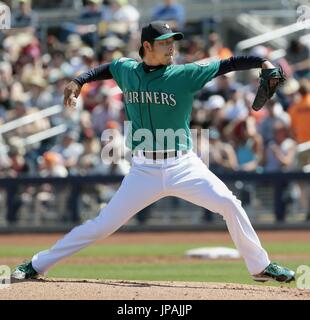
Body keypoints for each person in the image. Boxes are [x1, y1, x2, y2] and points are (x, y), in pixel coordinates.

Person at [12, 21, 295, 283]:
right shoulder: (127, 70)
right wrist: (79, 80)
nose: (172, 46)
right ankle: (37, 265)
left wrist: (262, 61)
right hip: (143, 170)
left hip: (183, 165)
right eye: (164, 42)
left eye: (173, 41)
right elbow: (109, 67)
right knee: (101, 226)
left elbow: (229, 63)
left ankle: (260, 266)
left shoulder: (185, 74)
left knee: (229, 204)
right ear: (147, 46)